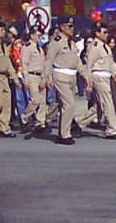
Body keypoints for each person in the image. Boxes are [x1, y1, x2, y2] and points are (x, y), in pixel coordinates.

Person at [45, 17, 91, 145]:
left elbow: (77, 61)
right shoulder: (56, 42)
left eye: (72, 26)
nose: (72, 29)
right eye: (69, 26)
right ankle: (65, 134)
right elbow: (49, 60)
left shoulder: (72, 42)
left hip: (72, 77)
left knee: (66, 106)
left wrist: (85, 76)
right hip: (60, 75)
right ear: (62, 27)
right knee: (69, 104)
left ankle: (61, 130)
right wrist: (46, 78)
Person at [75, 23, 116, 139]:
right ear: (97, 33)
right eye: (104, 32)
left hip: (106, 76)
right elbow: (89, 65)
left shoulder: (105, 46)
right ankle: (111, 130)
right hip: (99, 77)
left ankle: (79, 122)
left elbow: (111, 63)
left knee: (99, 106)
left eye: (107, 32)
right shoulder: (94, 46)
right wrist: (89, 82)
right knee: (108, 103)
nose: (106, 35)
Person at [19, 26, 48, 134]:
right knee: (35, 100)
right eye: (38, 35)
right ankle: (24, 117)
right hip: (32, 76)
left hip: (40, 76)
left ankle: (40, 123)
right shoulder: (27, 47)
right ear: (32, 35)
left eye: (41, 35)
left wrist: (46, 78)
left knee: (42, 101)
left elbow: (44, 64)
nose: (40, 37)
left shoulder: (40, 48)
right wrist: (25, 78)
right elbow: (24, 64)